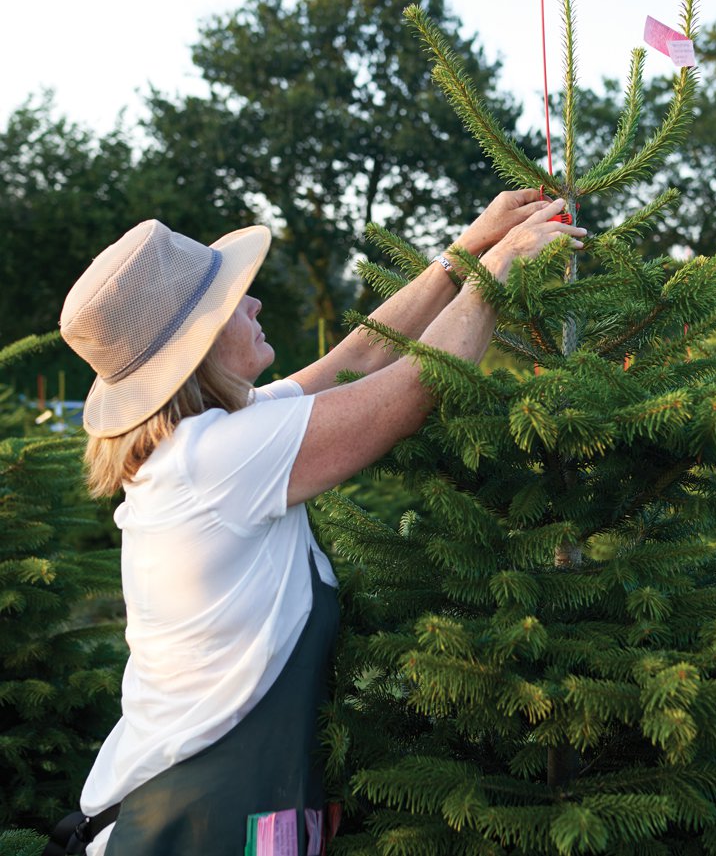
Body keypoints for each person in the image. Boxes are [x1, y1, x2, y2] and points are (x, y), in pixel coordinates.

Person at [57, 189, 586, 855]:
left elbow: (364, 354)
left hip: (228, 807)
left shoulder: (212, 440)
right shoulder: (215, 458)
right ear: (197, 347)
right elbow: (411, 387)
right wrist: (500, 268)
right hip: (188, 823)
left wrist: (467, 251)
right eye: (232, 300)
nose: (253, 303)